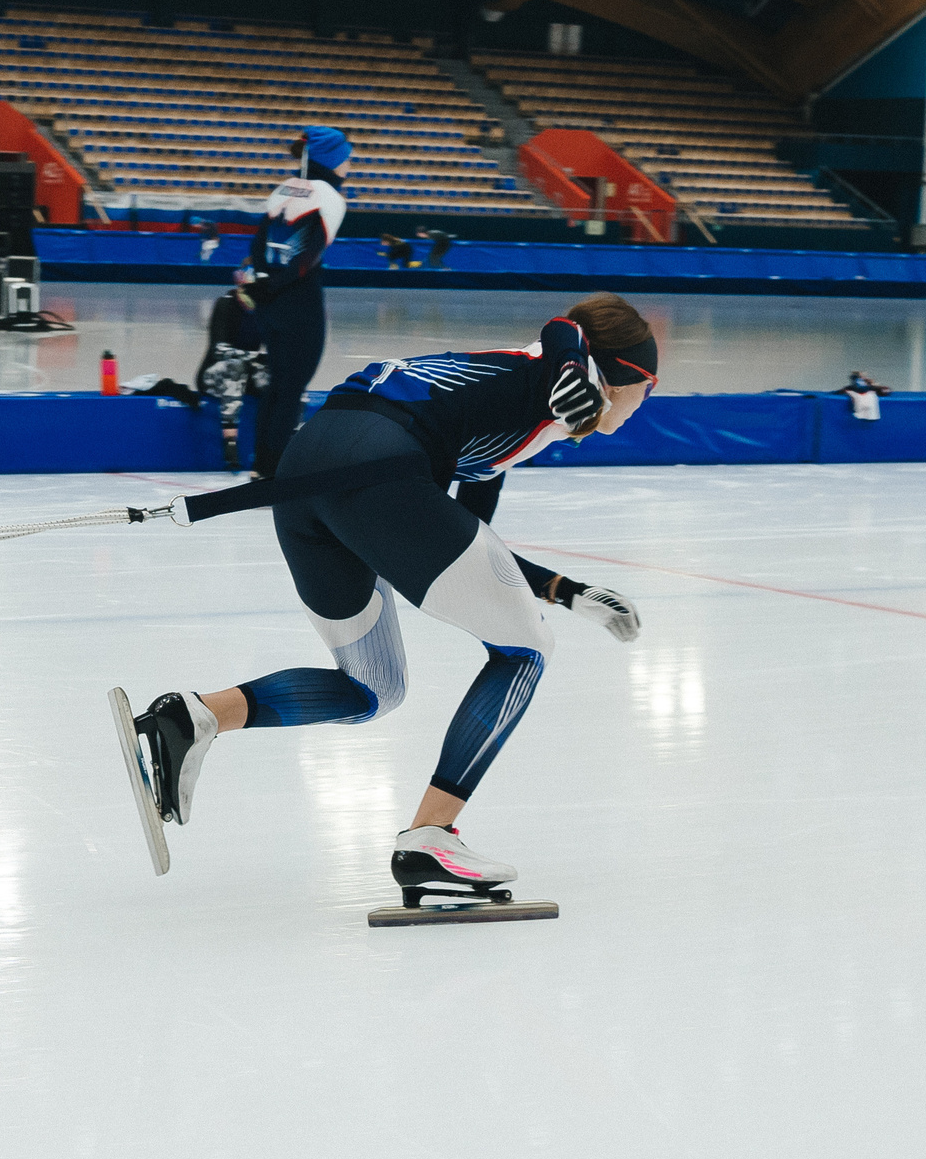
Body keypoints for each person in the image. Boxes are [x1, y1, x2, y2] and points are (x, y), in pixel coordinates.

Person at [122, 292, 656, 904]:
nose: (647, 402)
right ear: (618, 378)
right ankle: (430, 836)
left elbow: (467, 537)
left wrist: (567, 591)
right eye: (649, 386)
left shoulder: (509, 403)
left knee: (374, 688)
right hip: (378, 468)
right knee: (526, 648)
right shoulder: (545, 375)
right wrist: (568, 372)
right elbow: (565, 328)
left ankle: (192, 716)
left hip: (313, 465)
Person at [197, 126, 347, 478]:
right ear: (332, 159)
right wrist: (280, 284)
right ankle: (273, 470)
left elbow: (258, 245)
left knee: (277, 386)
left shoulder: (283, 188)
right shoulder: (330, 198)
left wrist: (263, 286)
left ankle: (261, 467)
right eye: (347, 159)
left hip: (269, 302)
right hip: (299, 302)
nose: (350, 167)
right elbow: (306, 257)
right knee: (291, 389)